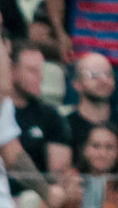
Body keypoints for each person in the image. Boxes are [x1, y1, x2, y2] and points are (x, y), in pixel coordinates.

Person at [63, 52, 118, 174]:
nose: (103, 80)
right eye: (93, 75)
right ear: (76, 84)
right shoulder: (64, 124)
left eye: (108, 74)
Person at [9, 42, 71, 172]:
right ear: (12, 70)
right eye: (32, 70)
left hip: (38, 190)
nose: (40, 77)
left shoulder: (51, 116)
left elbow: (57, 173)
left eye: (41, 70)